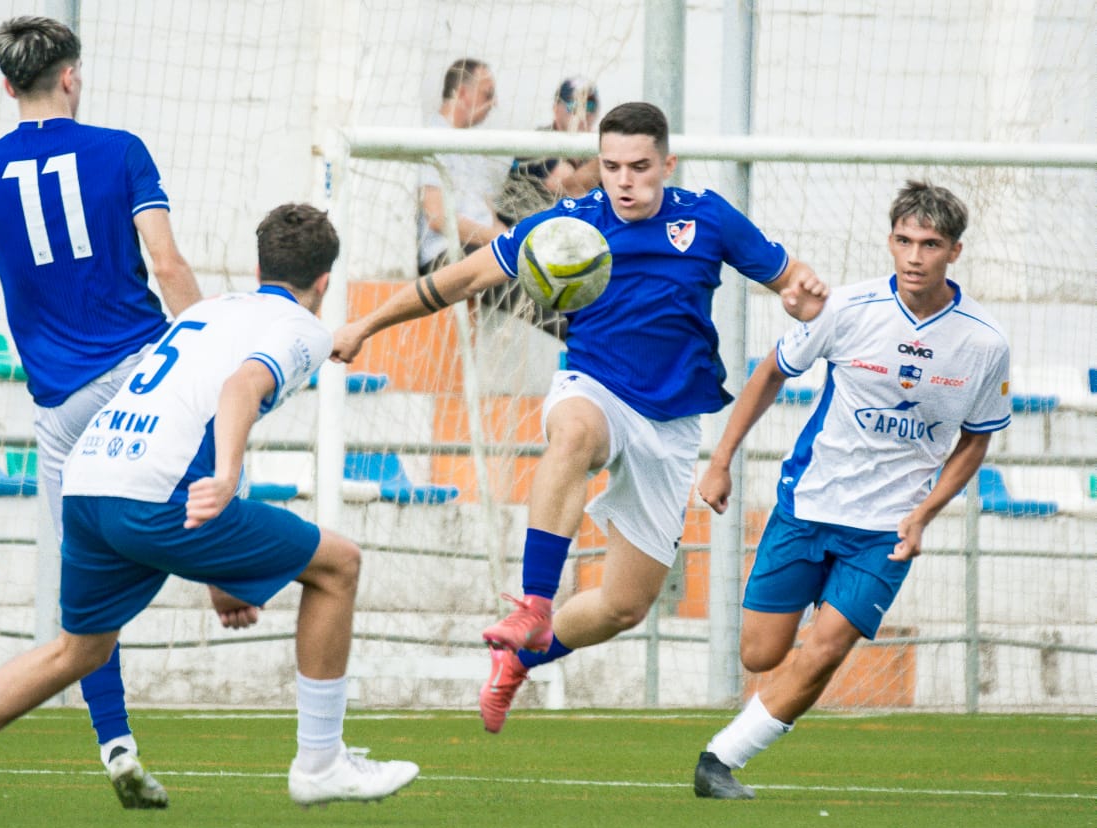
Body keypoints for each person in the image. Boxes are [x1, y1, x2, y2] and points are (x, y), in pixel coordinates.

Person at [0, 203, 421, 818]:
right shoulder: (302, 328)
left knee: (76, 652)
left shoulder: (209, 311)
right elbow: (240, 388)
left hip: (87, 480)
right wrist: (226, 479)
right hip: (156, 495)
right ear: (325, 282)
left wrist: (220, 555)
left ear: (258, 267)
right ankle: (320, 762)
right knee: (338, 565)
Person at [333, 101, 829, 734]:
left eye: (640, 167)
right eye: (612, 166)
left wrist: (801, 294)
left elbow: (789, 278)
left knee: (625, 606)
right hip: (594, 386)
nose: (624, 180)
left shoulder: (707, 217)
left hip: (672, 421)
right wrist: (366, 324)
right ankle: (533, 605)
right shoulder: (567, 227)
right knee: (572, 433)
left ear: (667, 164)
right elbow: (461, 279)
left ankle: (521, 658)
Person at [0, 15, 204, 808]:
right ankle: (235, 587)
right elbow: (167, 262)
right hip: (141, 375)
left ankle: (116, 744)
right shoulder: (121, 150)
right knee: (216, 494)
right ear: (70, 77)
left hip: (62, 412)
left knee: (85, 594)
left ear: (7, 85)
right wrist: (208, 343)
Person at [692, 181, 1010, 799]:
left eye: (930, 244)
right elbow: (771, 372)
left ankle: (720, 759)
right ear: (889, 241)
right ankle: (787, 670)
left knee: (826, 649)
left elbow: (976, 439)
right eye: (904, 241)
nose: (914, 257)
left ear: (955, 251)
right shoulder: (847, 307)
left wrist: (924, 514)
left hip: (887, 528)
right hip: (809, 504)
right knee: (760, 654)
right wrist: (721, 459)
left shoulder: (984, 342)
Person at [417, 58, 508, 275]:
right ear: (463, 94)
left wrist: (511, 240)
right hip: (448, 253)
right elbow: (437, 216)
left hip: (482, 248)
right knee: (524, 283)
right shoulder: (432, 138)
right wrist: (496, 239)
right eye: (488, 94)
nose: (494, 103)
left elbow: (489, 213)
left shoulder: (471, 143)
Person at [494, 77, 603, 226]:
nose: (582, 114)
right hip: (515, 231)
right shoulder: (538, 142)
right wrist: (611, 153)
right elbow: (569, 187)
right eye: (574, 105)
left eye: (589, 106)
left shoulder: (590, 149)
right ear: (556, 109)